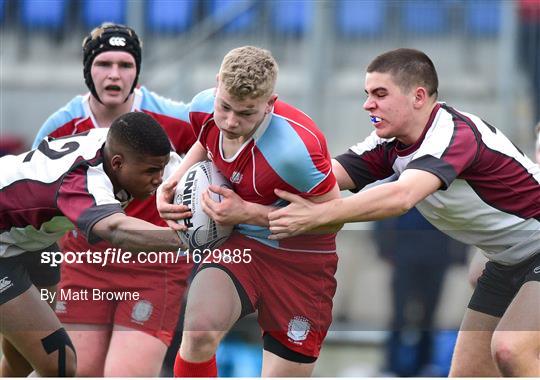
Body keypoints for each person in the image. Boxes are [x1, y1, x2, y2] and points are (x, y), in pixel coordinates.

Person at [268, 48, 540, 376]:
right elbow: (319, 179)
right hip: (507, 260)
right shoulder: (388, 145)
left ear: (418, 97)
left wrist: (319, 216)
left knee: (511, 350)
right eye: (368, 94)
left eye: (380, 94)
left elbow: (401, 196)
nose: (369, 104)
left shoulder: (453, 134)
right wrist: (242, 191)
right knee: (467, 373)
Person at [157, 46, 340, 376]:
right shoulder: (202, 108)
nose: (230, 121)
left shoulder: (297, 149)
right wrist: (173, 181)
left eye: (245, 113)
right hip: (240, 245)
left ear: (270, 104)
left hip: (301, 261)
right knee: (198, 333)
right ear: (217, 85)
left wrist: (248, 213)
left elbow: (334, 216)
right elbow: (206, 137)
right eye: (224, 106)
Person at [27, 23, 196, 377]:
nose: (114, 75)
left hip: (154, 265)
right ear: (87, 70)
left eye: (125, 65)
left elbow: (217, 153)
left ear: (138, 71)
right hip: (82, 265)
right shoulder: (61, 126)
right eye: (104, 64)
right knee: (76, 371)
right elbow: (34, 197)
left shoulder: (175, 120)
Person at [0, 112, 185, 376]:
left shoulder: (124, 149)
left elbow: (180, 172)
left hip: (31, 239)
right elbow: (116, 230)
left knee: (23, 357)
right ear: (118, 163)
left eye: (161, 168)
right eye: (152, 171)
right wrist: (191, 240)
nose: (159, 178)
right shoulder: (83, 180)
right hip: (7, 239)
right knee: (59, 362)